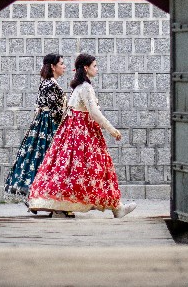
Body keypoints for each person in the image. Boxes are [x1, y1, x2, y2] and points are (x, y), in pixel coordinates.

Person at [27, 53, 137, 218]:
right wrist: (112, 130)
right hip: (83, 135)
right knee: (96, 169)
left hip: (75, 134)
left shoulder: (78, 87)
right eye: (94, 66)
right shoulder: (85, 87)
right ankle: (115, 207)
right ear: (86, 68)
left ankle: (114, 206)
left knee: (71, 171)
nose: (97, 69)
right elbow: (94, 113)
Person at [3, 53, 68, 209]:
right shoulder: (51, 84)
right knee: (48, 158)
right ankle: (43, 197)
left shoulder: (46, 82)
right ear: (53, 67)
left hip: (42, 123)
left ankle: (39, 197)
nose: (64, 66)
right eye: (61, 63)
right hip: (48, 124)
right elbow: (55, 111)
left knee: (37, 158)